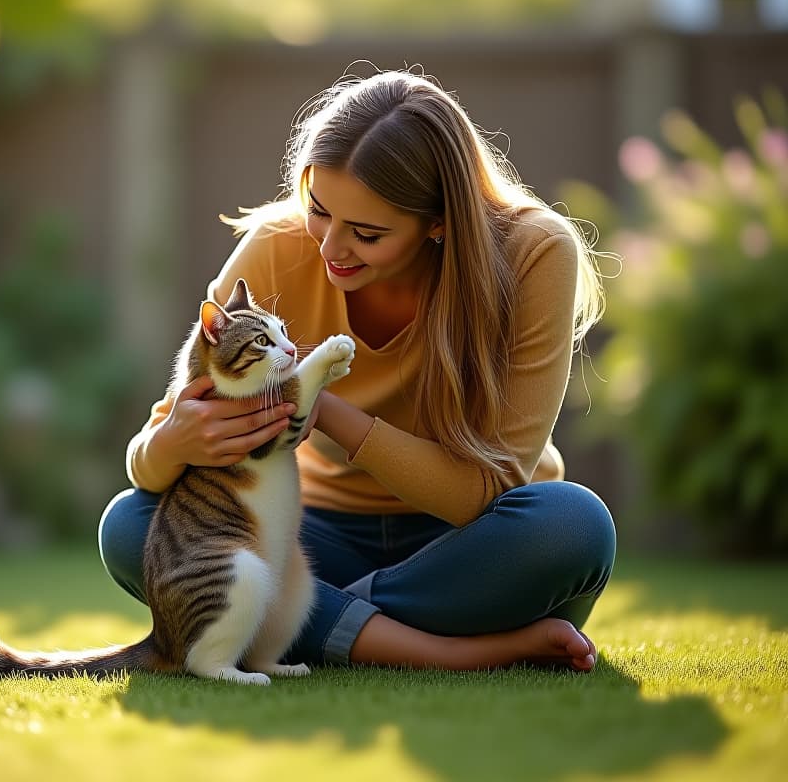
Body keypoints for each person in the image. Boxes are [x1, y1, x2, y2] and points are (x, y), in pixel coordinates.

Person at [99, 68, 616, 672]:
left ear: (440, 221)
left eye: (366, 233)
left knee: (572, 527)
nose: (328, 249)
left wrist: (325, 411)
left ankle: (321, 626)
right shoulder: (276, 246)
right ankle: (449, 651)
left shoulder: (535, 252)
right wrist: (174, 440)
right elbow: (147, 461)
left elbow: (486, 489)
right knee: (131, 525)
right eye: (318, 210)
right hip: (313, 535)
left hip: (467, 543)